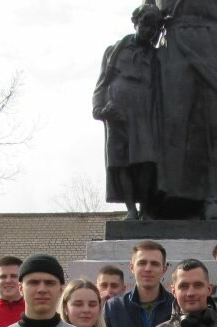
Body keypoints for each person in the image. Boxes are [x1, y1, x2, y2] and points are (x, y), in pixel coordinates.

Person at [154, 0, 217, 220]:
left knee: (215, 130)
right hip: (173, 57)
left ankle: (213, 200)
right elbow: (148, 19)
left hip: (215, 58)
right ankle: (169, 201)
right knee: (170, 132)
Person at [93, 4, 164, 220]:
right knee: (120, 161)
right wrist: (99, 107)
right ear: (136, 22)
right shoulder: (114, 50)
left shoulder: (157, 57)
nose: (148, 31)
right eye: (145, 25)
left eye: (153, 29)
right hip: (117, 110)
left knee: (145, 161)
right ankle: (131, 209)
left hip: (144, 109)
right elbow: (102, 82)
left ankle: (146, 209)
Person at [104, 240, 175, 327]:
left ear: (164, 269)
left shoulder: (176, 307)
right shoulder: (113, 308)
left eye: (154, 264)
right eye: (142, 263)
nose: (148, 269)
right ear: (132, 268)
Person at [0, 256, 25, 327]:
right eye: (3, 277)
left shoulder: (34, 312)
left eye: (14, 276)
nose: (8, 281)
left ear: (22, 281)